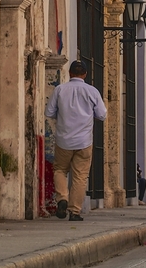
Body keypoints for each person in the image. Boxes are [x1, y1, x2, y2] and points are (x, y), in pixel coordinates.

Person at [45, 60, 106, 221]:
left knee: (60, 170)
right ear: (85, 74)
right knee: (80, 176)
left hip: (63, 140)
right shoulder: (92, 91)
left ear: (70, 73)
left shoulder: (60, 89)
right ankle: (74, 211)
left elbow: (49, 112)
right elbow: (102, 114)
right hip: (84, 141)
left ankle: (62, 199)